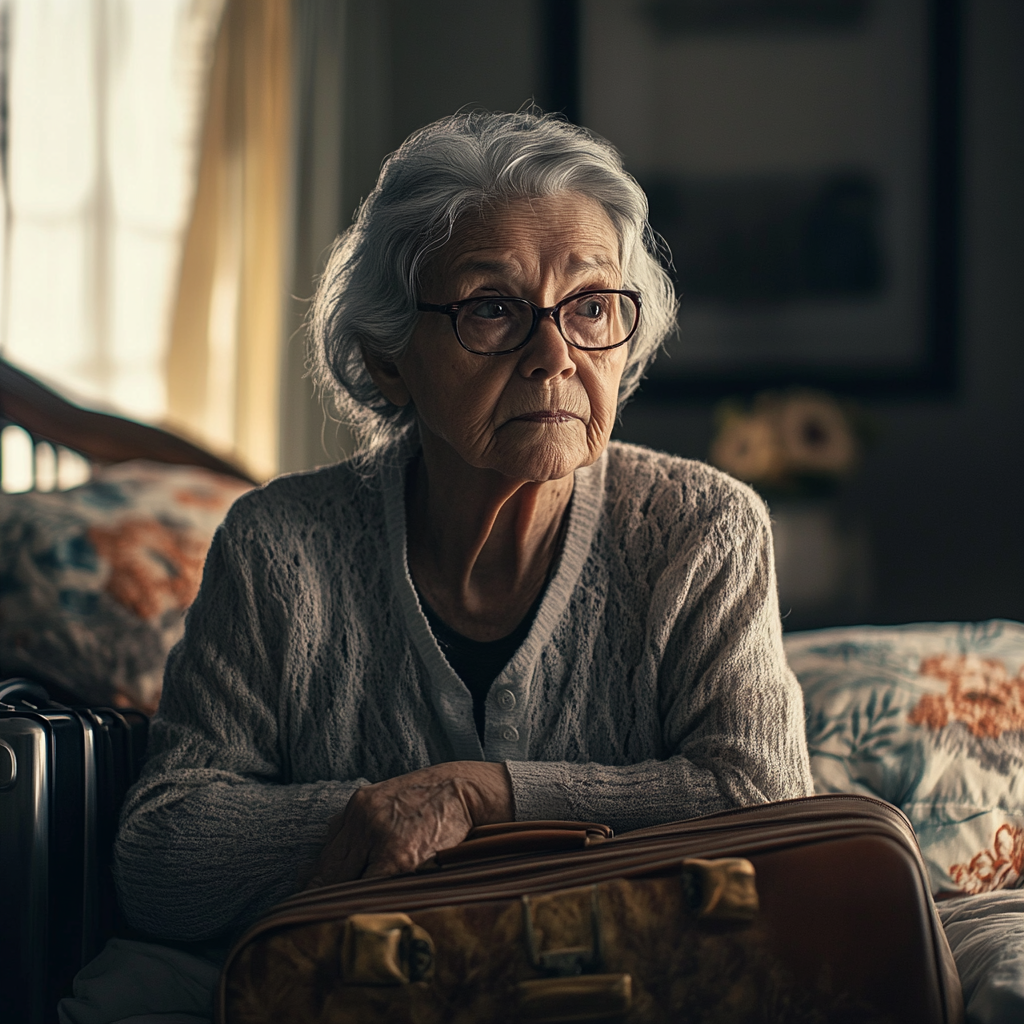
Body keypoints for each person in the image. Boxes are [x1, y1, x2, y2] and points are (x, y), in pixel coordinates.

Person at [60, 110, 814, 1024]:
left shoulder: (704, 528)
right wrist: (364, 815)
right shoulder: (278, 546)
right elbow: (164, 858)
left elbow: (765, 805)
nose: (555, 357)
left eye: (591, 308)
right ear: (387, 361)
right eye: (492, 309)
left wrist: (477, 796)